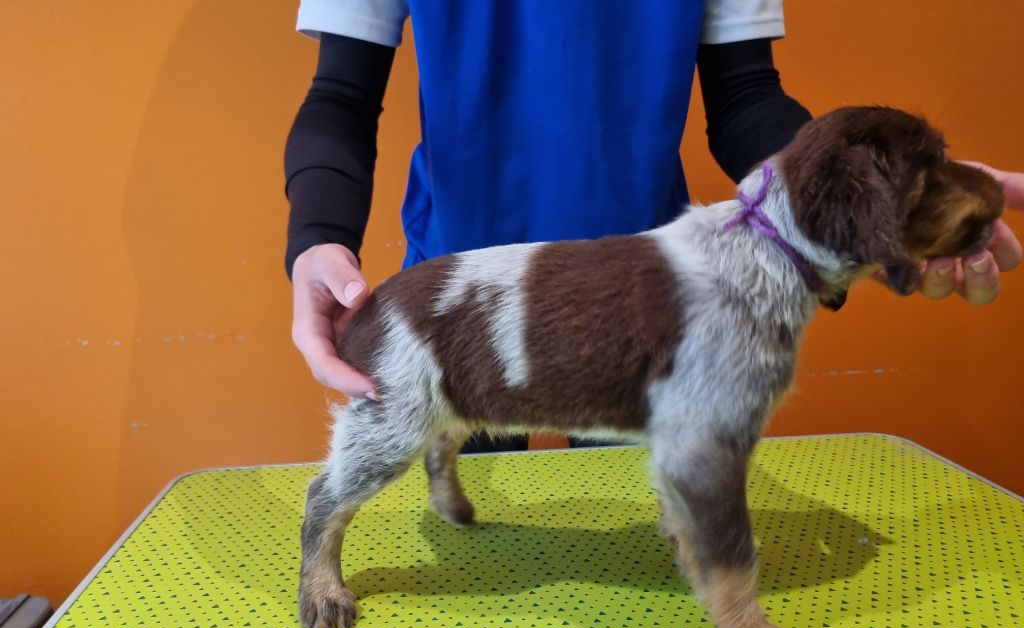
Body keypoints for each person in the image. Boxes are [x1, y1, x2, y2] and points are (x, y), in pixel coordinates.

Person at [284, 1, 1022, 451]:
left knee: (630, 560)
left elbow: (745, 97)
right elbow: (342, 96)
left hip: (641, 309)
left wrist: (879, 198)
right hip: (457, 300)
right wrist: (319, 236)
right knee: (466, 550)